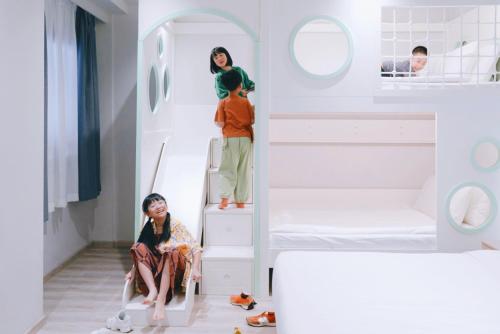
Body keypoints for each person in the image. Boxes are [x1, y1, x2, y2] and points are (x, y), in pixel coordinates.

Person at [125, 193, 202, 321]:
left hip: (176, 271)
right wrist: (132, 271)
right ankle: (153, 290)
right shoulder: (149, 228)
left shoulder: (175, 224)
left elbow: (196, 248)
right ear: (147, 213)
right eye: (153, 205)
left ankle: (160, 300)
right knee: (138, 246)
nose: (158, 206)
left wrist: (195, 268)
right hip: (159, 273)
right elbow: (141, 254)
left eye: (161, 202)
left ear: (166, 205)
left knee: (170, 251)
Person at [214, 69, 254, 210]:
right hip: (245, 139)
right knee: (244, 170)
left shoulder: (223, 102)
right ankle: (240, 202)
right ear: (240, 85)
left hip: (230, 138)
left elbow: (220, 123)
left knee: (228, 169)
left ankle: (224, 199)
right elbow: (252, 120)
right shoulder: (245, 103)